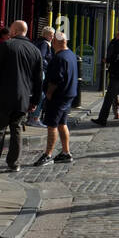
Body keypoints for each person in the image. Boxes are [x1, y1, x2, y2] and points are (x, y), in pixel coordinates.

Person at [0, 21, 42, 172]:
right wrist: (35, 101)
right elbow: (39, 80)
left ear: (14, 31)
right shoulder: (35, 51)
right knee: (16, 130)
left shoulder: (6, 46)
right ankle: (14, 163)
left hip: (4, 96)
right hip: (23, 98)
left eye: (11, 29)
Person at [33, 32, 78, 166]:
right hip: (68, 94)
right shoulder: (71, 54)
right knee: (62, 123)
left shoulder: (59, 58)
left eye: (53, 42)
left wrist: (49, 93)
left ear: (56, 43)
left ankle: (48, 154)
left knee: (52, 124)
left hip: (59, 96)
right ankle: (66, 152)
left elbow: (56, 79)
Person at [95, 25, 119, 126]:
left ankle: (102, 119)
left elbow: (116, 59)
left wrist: (108, 60)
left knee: (109, 97)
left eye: (118, 32)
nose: (116, 34)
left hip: (117, 74)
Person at [27, 26, 55, 128]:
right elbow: (41, 58)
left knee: (36, 94)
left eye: (53, 35)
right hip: (41, 72)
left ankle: (31, 117)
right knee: (41, 95)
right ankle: (34, 118)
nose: (52, 37)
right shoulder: (44, 44)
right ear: (45, 34)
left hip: (36, 72)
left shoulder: (38, 42)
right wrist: (49, 66)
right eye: (50, 34)